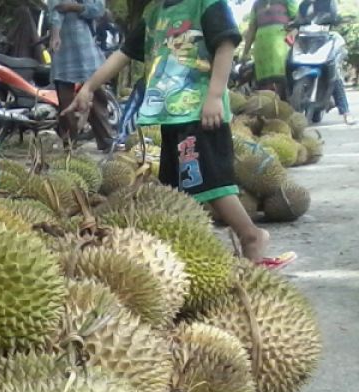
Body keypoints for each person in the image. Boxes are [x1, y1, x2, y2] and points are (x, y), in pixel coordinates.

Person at [68, 0, 273, 264]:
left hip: (200, 112)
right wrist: (88, 87)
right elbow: (124, 53)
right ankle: (190, 246)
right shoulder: (154, 12)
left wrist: (214, 96)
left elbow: (226, 46)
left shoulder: (206, 4)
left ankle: (250, 234)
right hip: (170, 115)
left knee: (211, 183)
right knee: (175, 187)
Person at [49, 1, 114, 151]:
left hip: (87, 47)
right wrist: (55, 34)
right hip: (63, 49)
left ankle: (106, 142)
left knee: (97, 97)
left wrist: (74, 7)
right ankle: (69, 144)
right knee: (65, 102)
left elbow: (98, 9)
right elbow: (55, 10)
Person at [295, 0, 353, 123]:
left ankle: (345, 111)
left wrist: (336, 19)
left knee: (334, 72)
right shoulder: (303, 5)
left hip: (324, 39)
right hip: (305, 41)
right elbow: (297, 20)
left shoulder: (328, 3)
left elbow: (334, 16)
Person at [242, 0, 297, 98]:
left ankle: (283, 107)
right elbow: (252, 29)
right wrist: (245, 53)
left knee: (281, 84)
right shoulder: (257, 4)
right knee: (264, 89)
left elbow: (297, 20)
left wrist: (293, 33)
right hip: (261, 50)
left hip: (282, 47)